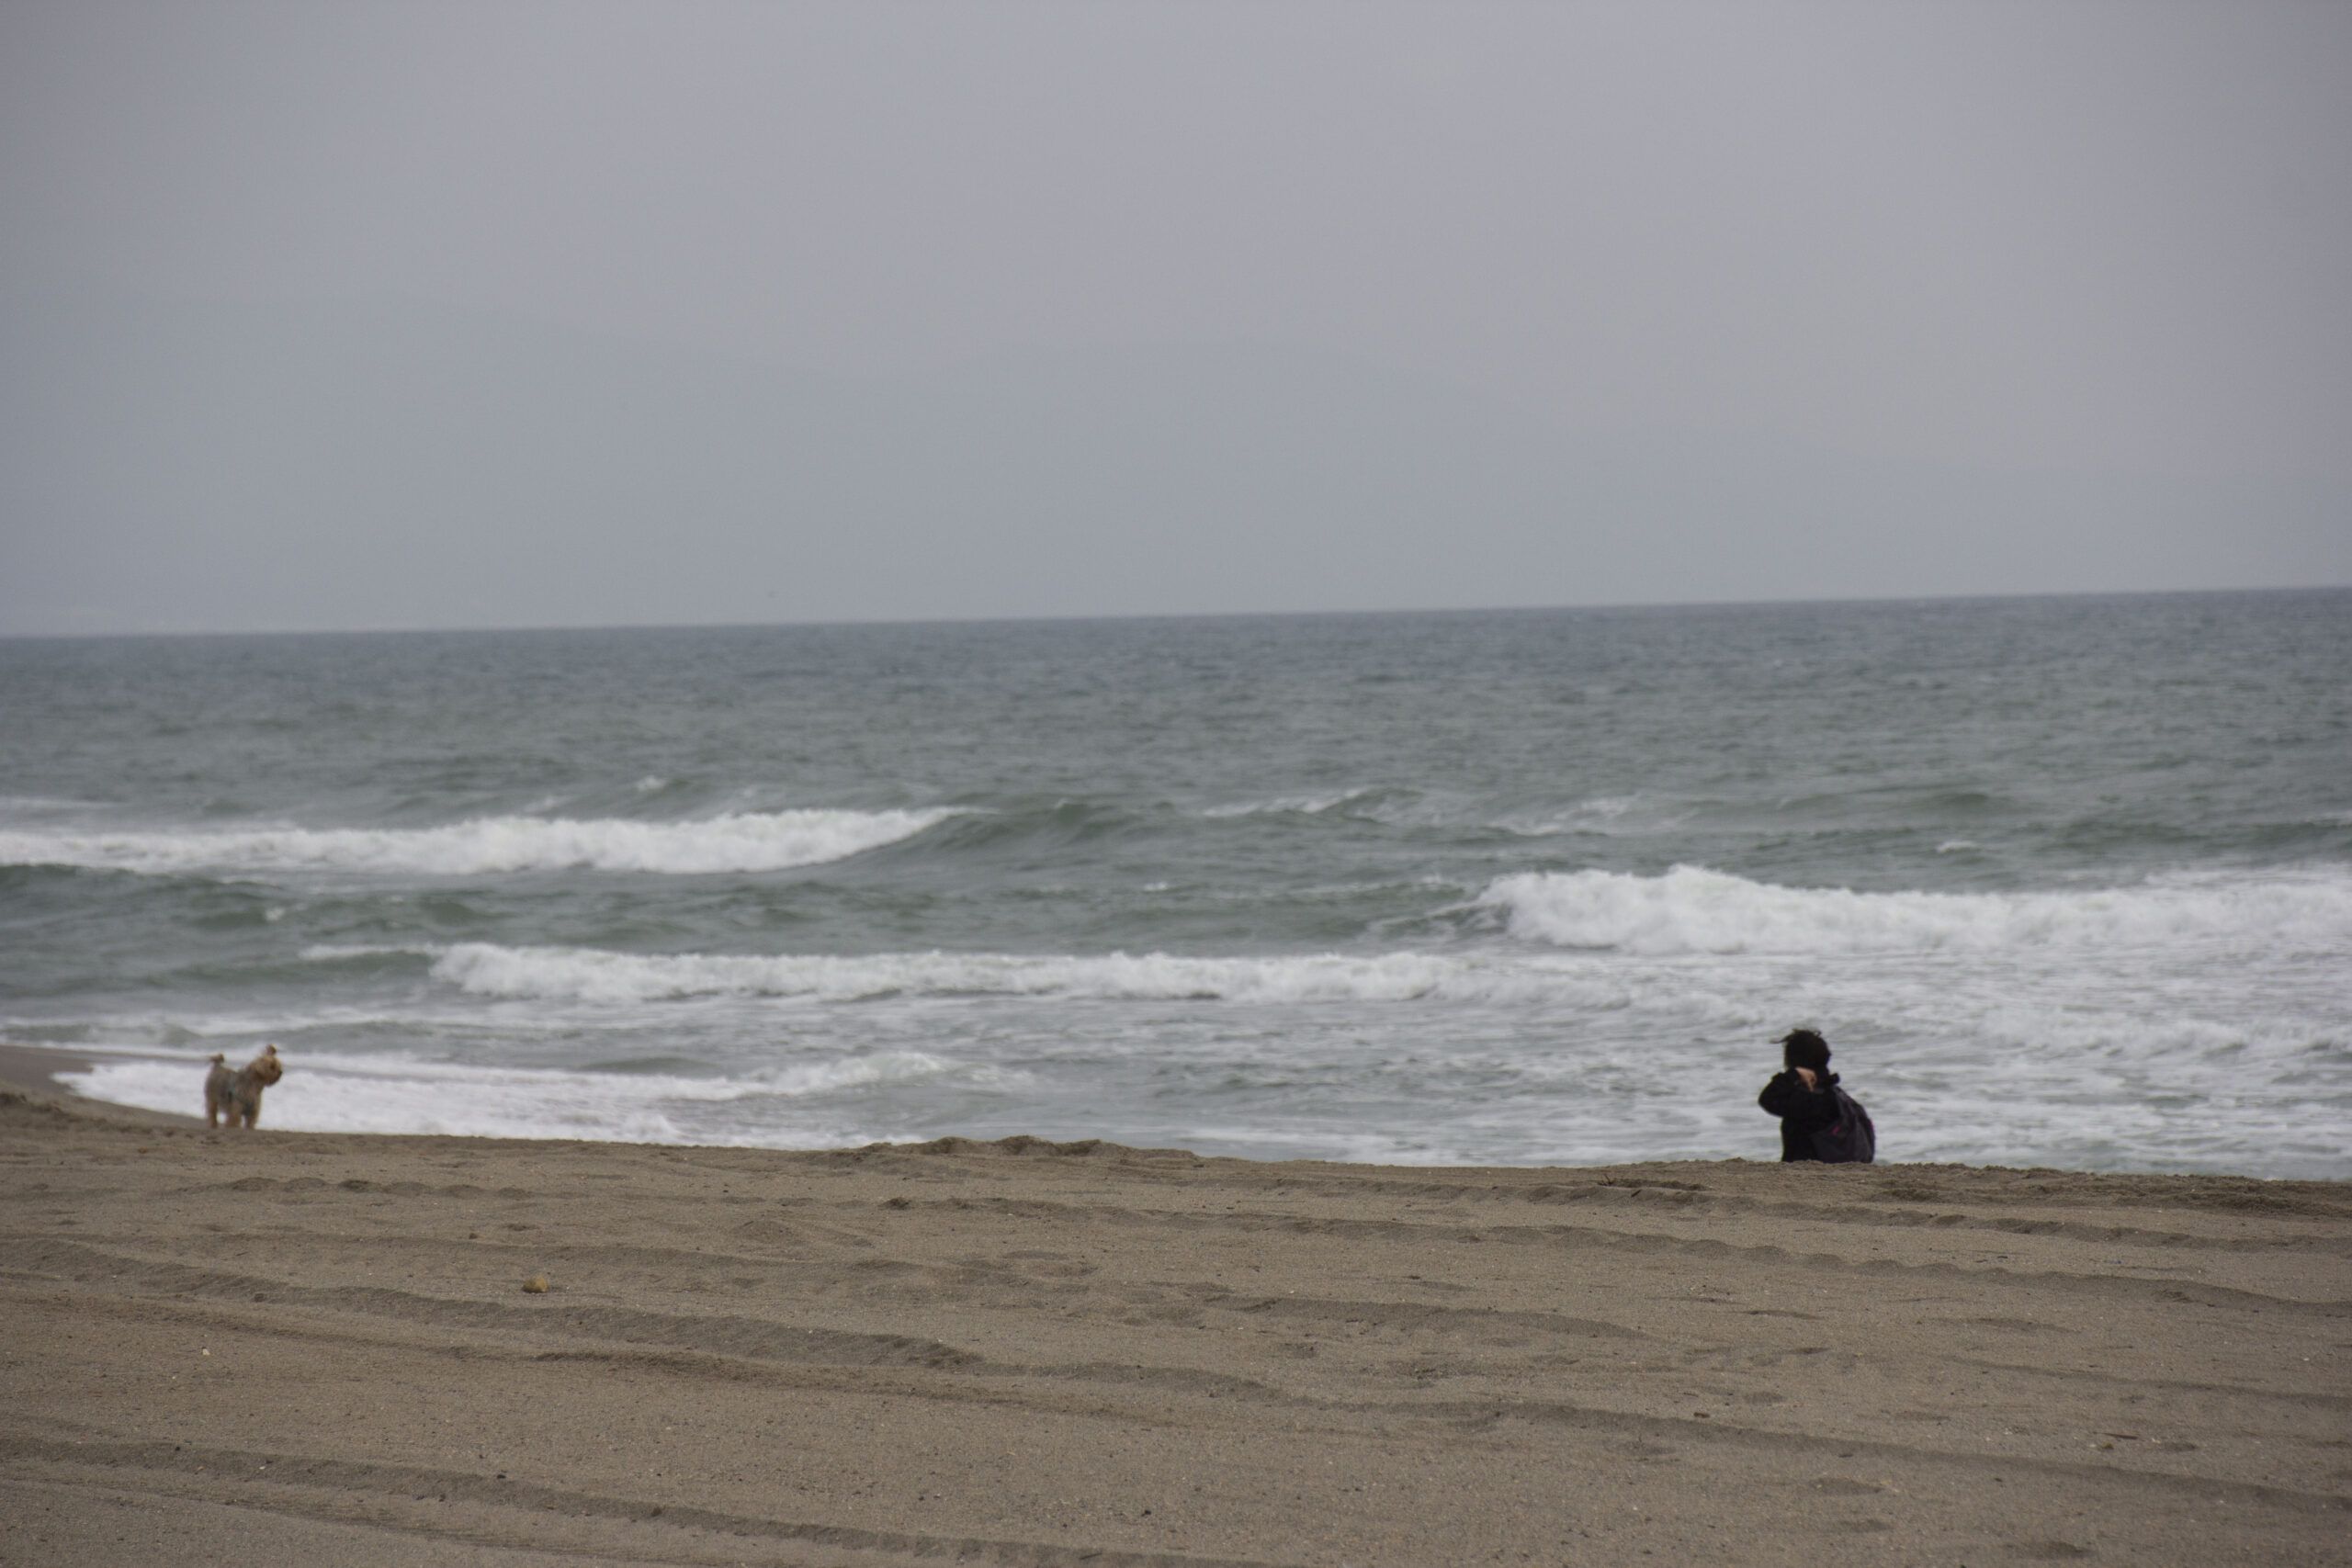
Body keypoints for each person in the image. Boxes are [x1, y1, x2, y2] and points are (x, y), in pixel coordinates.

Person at [1758, 1027, 1853, 1162]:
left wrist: (1793, 1074)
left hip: (1808, 1170)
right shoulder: (1835, 1094)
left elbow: (1768, 1099)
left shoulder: (1809, 1097)